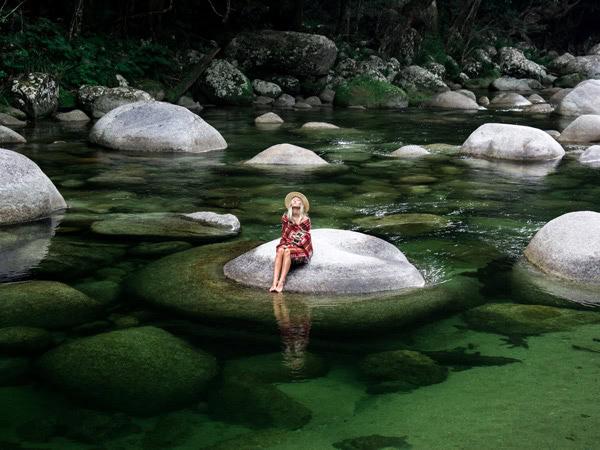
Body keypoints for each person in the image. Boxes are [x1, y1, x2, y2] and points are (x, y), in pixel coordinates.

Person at [270, 192, 313, 293]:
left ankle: (282, 281)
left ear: (301, 205)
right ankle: (274, 282)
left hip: (301, 247)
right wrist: (286, 244)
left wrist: (289, 245)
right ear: (290, 204)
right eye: (293, 199)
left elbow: (303, 237)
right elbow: (285, 235)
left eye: (298, 200)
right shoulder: (286, 218)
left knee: (287, 251)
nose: (294, 200)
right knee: (280, 250)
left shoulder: (306, 220)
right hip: (287, 243)